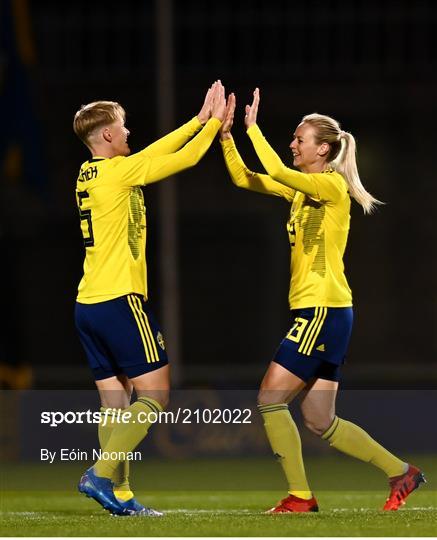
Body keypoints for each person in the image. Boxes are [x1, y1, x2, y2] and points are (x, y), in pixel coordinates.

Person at [219, 89, 425, 513]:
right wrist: (226, 138)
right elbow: (246, 178)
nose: (292, 145)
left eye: (299, 139)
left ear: (323, 149)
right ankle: (401, 473)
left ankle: (299, 496)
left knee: (269, 399)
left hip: (322, 310)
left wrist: (252, 129)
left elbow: (272, 165)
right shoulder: (301, 191)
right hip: (328, 312)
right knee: (318, 419)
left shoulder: (330, 186)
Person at [72, 81, 226, 516]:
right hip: (119, 300)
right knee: (155, 396)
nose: (127, 133)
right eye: (121, 128)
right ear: (105, 135)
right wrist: (215, 125)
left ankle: (119, 495)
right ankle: (100, 476)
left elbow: (153, 153)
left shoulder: (92, 172)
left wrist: (197, 121)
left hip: (88, 304)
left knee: (116, 403)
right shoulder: (118, 173)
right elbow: (185, 159)